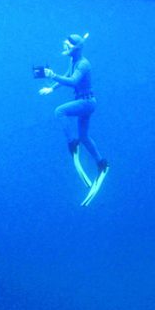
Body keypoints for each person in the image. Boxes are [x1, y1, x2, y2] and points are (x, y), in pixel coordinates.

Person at [38, 33, 109, 205]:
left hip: (87, 103)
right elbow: (66, 76)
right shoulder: (73, 61)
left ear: (75, 48)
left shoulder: (84, 64)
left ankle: (72, 143)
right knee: (84, 136)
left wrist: (52, 75)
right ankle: (102, 164)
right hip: (84, 102)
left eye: (68, 46)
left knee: (59, 111)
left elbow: (74, 81)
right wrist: (51, 88)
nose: (65, 48)